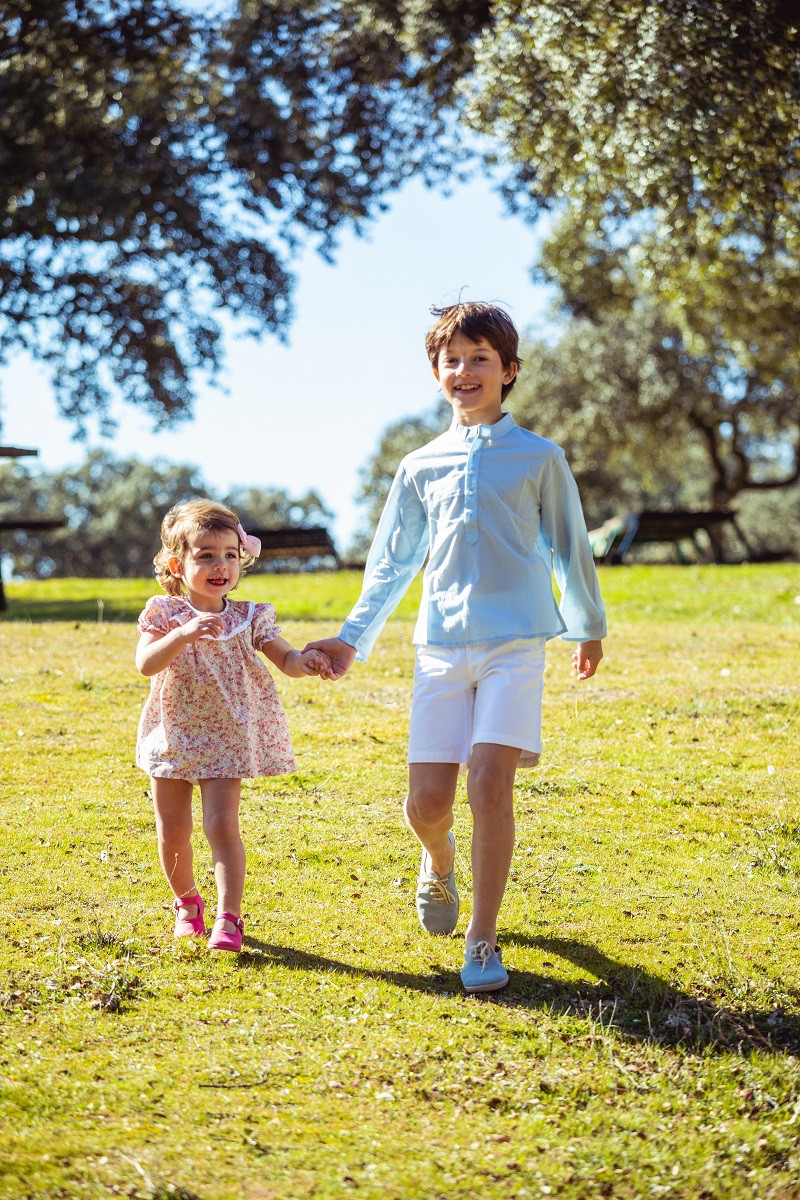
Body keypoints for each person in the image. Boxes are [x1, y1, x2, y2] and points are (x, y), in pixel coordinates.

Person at [305, 301, 606, 993]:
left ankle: (482, 939)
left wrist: (587, 625)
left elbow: (568, 545)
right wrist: (352, 639)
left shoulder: (540, 456)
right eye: (452, 361)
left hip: (515, 645)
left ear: (508, 371)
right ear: (436, 373)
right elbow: (391, 561)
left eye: (480, 359)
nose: (464, 371)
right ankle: (437, 862)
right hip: (439, 650)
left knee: (489, 786)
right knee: (426, 804)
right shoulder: (418, 465)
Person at [135, 499, 331, 952]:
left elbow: (285, 657)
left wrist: (308, 661)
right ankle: (187, 903)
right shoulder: (165, 614)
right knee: (173, 829)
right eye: (205, 555)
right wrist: (181, 635)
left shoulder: (249, 616)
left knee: (222, 825)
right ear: (176, 564)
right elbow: (145, 663)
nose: (220, 565)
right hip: (173, 734)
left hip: (228, 736)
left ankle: (228, 916)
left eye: (229, 554)